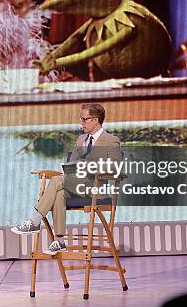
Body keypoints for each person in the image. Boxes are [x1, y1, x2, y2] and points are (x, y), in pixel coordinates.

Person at [10, 103, 121, 255]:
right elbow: (72, 164)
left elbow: (114, 170)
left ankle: (34, 220)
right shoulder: (81, 139)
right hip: (76, 185)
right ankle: (60, 241)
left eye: (84, 119)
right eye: (80, 119)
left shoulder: (110, 140)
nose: (81, 122)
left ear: (95, 120)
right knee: (59, 194)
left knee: (56, 180)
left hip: (95, 189)